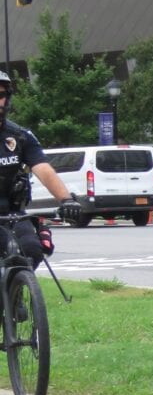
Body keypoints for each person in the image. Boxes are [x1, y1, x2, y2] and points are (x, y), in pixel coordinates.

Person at [0, 70, 83, 261]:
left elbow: (43, 169)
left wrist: (67, 200)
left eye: (1, 95)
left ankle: (17, 287)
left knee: (32, 250)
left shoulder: (20, 136)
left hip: (12, 213)